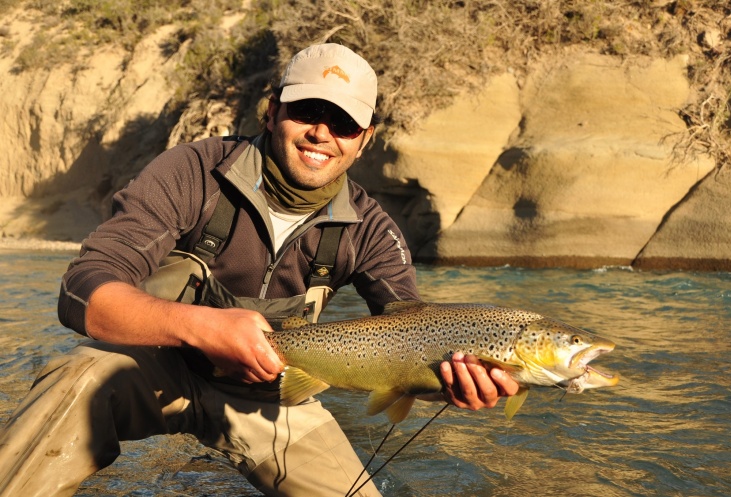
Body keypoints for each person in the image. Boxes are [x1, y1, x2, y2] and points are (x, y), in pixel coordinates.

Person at [0, 43, 519, 497]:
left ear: (365, 139)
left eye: (343, 123)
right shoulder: (192, 172)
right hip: (152, 366)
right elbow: (80, 291)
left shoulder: (371, 230)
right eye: (307, 110)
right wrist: (202, 327)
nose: (321, 132)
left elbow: (410, 332)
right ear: (272, 112)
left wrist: (450, 383)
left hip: (271, 394)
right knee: (73, 380)